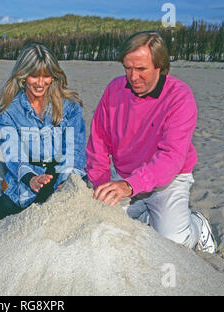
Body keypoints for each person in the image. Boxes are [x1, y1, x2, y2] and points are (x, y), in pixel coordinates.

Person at [86, 31, 216, 253]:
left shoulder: (179, 96)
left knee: (172, 243)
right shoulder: (114, 89)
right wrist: (101, 183)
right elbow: (98, 142)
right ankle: (148, 216)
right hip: (123, 175)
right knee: (101, 227)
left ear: (160, 66)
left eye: (141, 69)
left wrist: (131, 185)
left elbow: (171, 158)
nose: (133, 76)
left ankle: (196, 223)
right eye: (128, 68)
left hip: (168, 180)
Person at [0, 42, 86, 229]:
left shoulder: (70, 107)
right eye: (34, 75)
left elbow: (75, 150)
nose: (40, 82)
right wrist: (30, 178)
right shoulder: (9, 110)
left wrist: (67, 182)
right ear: (23, 76)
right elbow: (12, 152)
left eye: (46, 76)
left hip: (62, 178)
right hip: (26, 181)